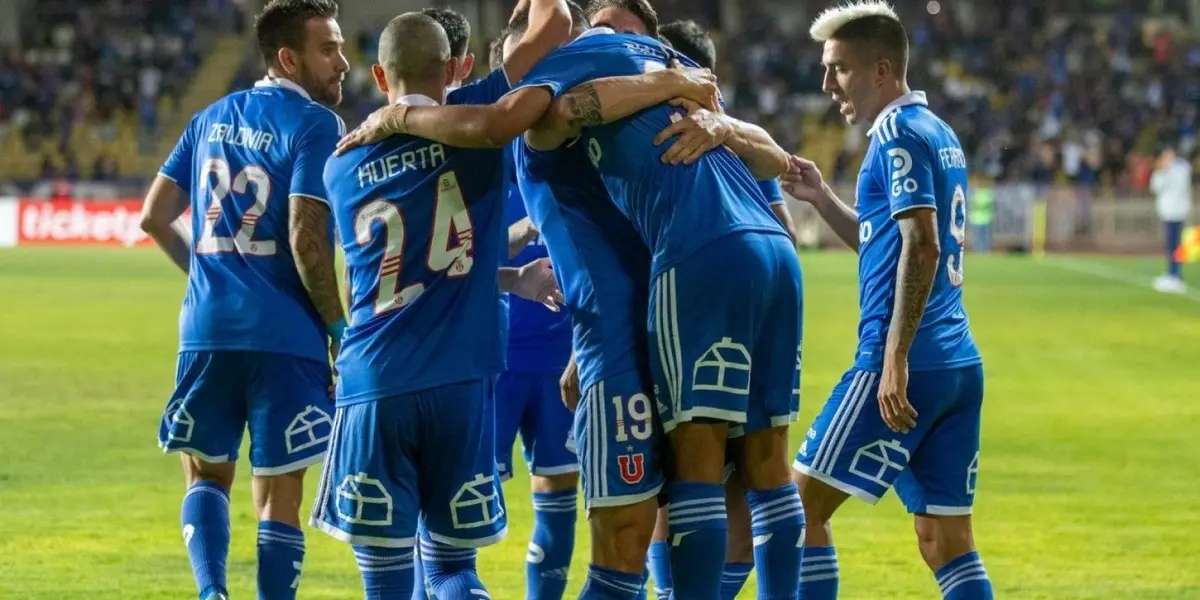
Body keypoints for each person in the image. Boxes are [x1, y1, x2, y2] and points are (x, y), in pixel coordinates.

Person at [343, 22, 804, 600]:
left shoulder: (611, 124)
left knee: (673, 510)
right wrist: (667, 80)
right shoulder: (559, 119)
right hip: (624, 333)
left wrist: (692, 102)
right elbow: (510, 119)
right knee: (642, 529)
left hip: (644, 326)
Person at [308, 4, 572, 598]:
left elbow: (402, 266)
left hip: (375, 382)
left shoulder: (342, 164)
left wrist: (508, 278)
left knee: (387, 582)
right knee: (452, 569)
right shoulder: (476, 124)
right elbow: (555, 24)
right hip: (461, 381)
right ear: (452, 67)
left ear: (378, 79)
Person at [781, 2, 993, 599]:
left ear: (881, 70)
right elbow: (889, 246)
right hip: (956, 365)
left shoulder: (897, 133)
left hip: (905, 363)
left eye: (839, 69)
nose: (827, 84)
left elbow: (922, 247)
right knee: (944, 542)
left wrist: (894, 356)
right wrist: (824, 201)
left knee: (796, 514)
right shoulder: (938, 131)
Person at [139, 1, 349, 598]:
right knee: (280, 491)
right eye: (328, 49)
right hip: (285, 334)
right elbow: (307, 242)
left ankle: (212, 593)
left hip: (209, 329)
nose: (343, 62)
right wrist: (338, 330)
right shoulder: (314, 125)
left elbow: (155, 216)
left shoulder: (209, 116)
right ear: (290, 57)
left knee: (205, 473)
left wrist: (207, 275)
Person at [1150, 145, 1192, 294]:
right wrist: (1161, 171)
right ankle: (1172, 274)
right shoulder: (1166, 170)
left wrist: (1164, 170)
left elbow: (1174, 185)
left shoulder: (1180, 168)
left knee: (1175, 244)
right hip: (1169, 212)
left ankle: (1176, 276)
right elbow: (1155, 187)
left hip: (1177, 211)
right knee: (1171, 244)